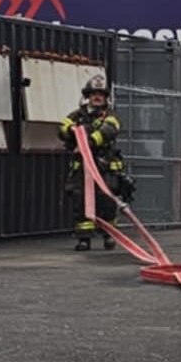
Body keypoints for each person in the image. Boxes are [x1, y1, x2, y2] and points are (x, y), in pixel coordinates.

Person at [58, 75, 132, 251]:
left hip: (104, 166)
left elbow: (109, 130)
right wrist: (70, 131)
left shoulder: (110, 116)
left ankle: (109, 236)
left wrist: (89, 140)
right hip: (82, 167)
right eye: (93, 94)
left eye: (101, 94)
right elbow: (62, 128)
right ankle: (84, 239)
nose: (97, 97)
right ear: (88, 96)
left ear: (106, 97)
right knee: (80, 200)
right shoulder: (77, 115)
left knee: (106, 201)